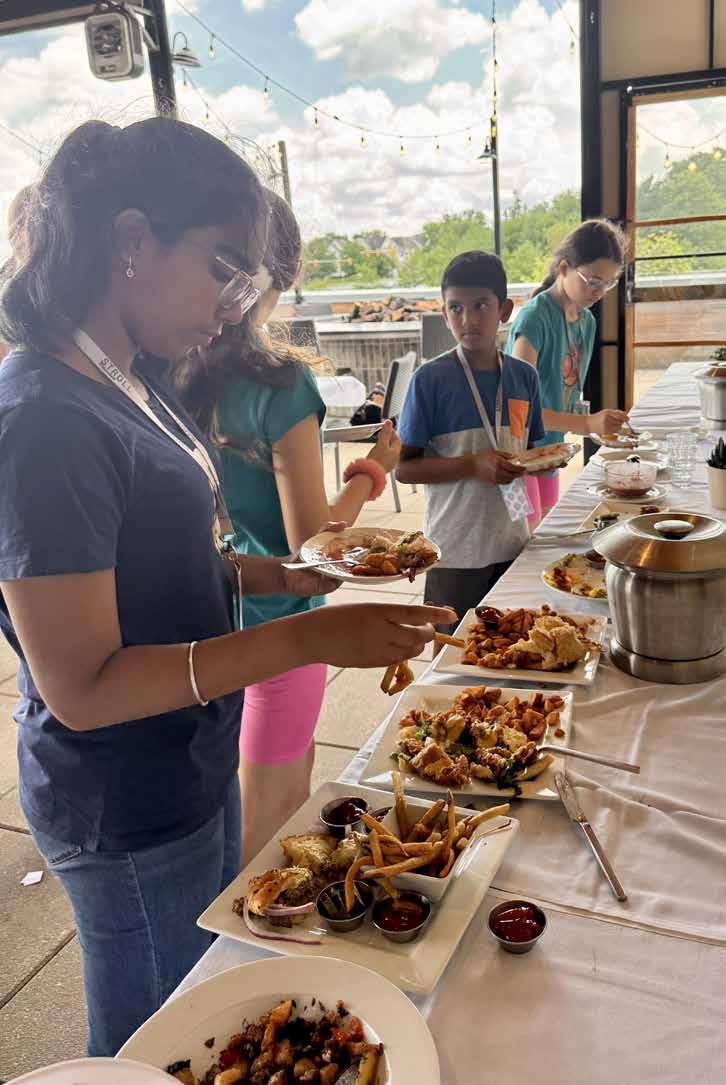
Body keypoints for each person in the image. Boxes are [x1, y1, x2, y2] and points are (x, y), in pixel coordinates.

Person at [0, 118, 454, 1057]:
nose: (236, 304)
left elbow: (178, 560)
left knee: (211, 992)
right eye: (224, 269)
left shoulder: (134, 380)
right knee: (161, 1040)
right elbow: (82, 686)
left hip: (190, 754)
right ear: (132, 240)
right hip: (124, 792)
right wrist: (308, 634)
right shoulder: (45, 417)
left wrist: (297, 573)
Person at [176, 190, 401, 860]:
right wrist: (372, 472)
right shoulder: (280, 385)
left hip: (205, 625)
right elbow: (314, 546)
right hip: (281, 625)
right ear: (285, 275)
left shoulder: (172, 372)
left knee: (238, 803)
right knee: (271, 827)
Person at [395, 250, 545, 633]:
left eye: (480, 305)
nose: (468, 319)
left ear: (505, 310)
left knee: (512, 643)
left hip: (513, 541)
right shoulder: (430, 380)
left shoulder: (524, 378)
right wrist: (473, 464)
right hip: (455, 548)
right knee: (453, 648)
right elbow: (404, 469)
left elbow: (530, 451)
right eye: (456, 308)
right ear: (444, 315)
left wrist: (538, 462)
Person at [506, 218, 629, 527]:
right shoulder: (534, 319)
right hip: (516, 454)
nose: (599, 292)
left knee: (546, 524)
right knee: (524, 534)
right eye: (593, 281)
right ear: (564, 268)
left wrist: (593, 423)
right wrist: (586, 423)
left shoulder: (585, 321)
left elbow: (566, 391)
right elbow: (518, 409)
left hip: (550, 449)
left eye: (608, 284)